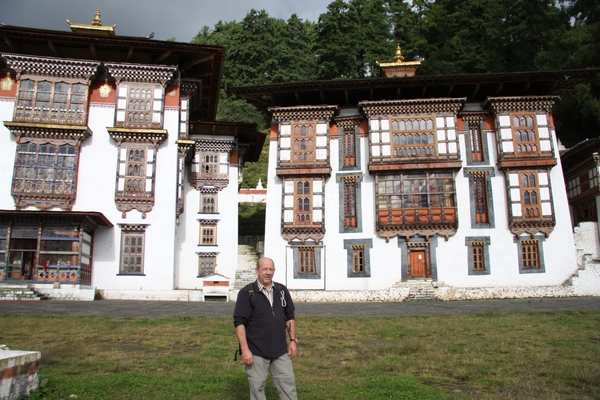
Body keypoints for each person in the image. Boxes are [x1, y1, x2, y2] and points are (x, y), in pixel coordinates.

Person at [233, 257, 298, 400]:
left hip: (280, 351)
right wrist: (245, 350)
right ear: (257, 271)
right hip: (256, 352)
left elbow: (290, 317)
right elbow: (239, 323)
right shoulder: (247, 293)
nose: (268, 273)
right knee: (257, 390)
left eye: (271, 269)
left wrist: (293, 340)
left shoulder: (281, 291)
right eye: (264, 269)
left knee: (289, 388)